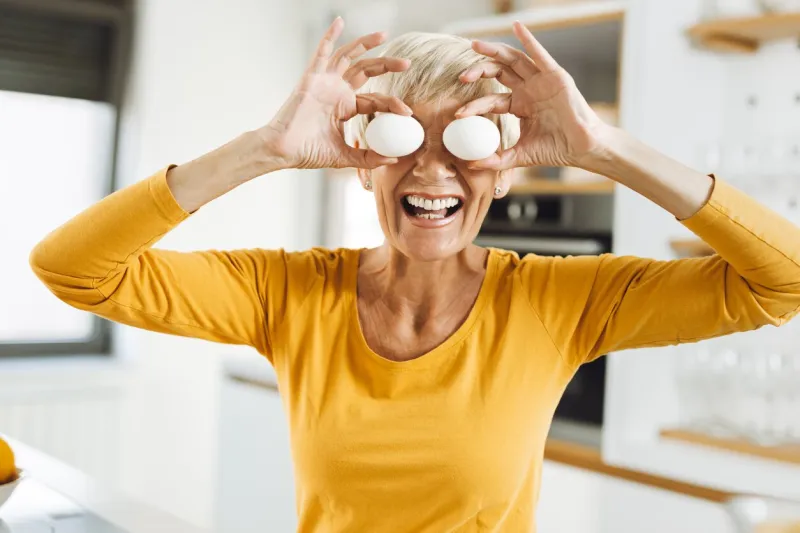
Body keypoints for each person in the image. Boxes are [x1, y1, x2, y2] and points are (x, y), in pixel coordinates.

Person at [30, 17, 800, 533]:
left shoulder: (558, 300)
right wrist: (264, 147)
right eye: (403, 138)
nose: (432, 169)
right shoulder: (291, 294)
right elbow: (73, 269)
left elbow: (783, 280)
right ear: (363, 163)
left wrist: (601, 146)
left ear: (501, 172)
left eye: (463, 142)